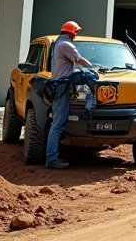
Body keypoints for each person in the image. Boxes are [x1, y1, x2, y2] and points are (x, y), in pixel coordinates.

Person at [46, 21, 93, 169]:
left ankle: (52, 157)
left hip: (60, 85)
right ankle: (51, 159)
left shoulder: (58, 43)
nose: (76, 34)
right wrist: (94, 68)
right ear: (71, 32)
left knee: (57, 124)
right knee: (58, 125)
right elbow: (79, 60)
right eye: (75, 32)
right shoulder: (66, 45)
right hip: (61, 86)